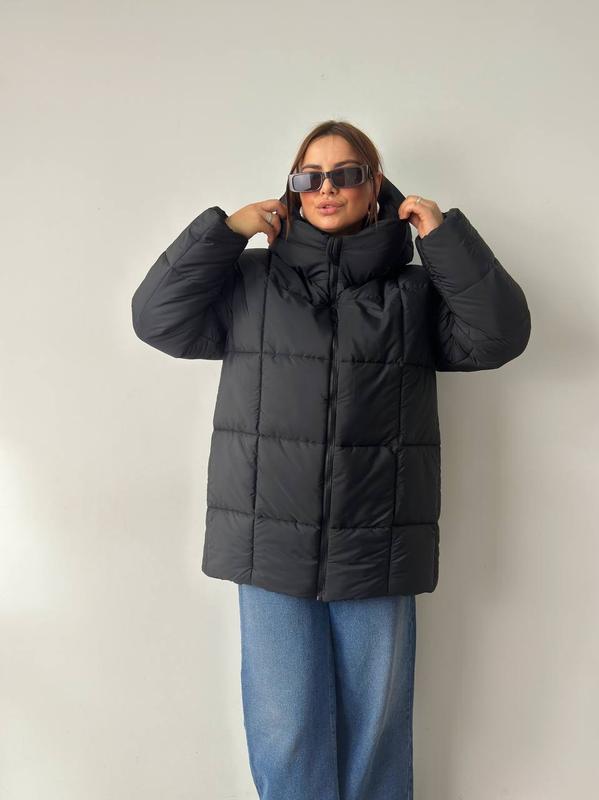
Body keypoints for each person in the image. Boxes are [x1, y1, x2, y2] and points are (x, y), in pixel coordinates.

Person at [131, 119, 531, 800]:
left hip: (378, 541)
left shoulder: (412, 293)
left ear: (374, 187)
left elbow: (498, 335)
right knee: (285, 731)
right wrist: (224, 232)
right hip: (267, 540)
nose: (326, 188)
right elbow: (156, 319)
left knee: (375, 732)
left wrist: (441, 238)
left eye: (346, 173)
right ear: (292, 189)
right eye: (309, 176)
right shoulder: (250, 281)